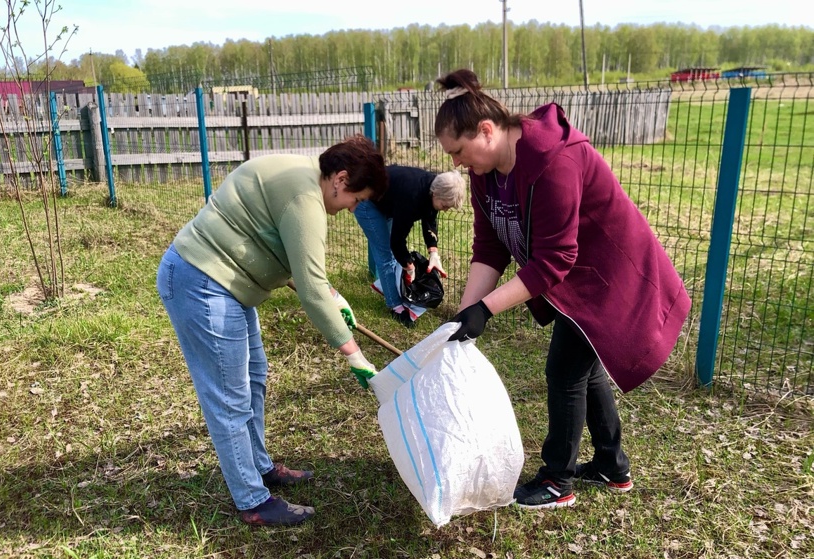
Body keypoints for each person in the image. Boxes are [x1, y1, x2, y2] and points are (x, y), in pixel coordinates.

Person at [434, 69, 690, 510]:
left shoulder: (552, 159)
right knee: (583, 370)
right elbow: (490, 245)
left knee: (564, 371)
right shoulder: (486, 172)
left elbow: (555, 260)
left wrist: (487, 310)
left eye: (458, 150)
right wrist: (467, 311)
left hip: (609, 275)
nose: (456, 163)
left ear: (487, 130)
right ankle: (612, 465)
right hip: (573, 279)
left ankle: (557, 480)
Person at [156, 135, 388, 526]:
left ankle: (259, 466)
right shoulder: (306, 197)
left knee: (253, 376)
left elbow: (296, 261)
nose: (352, 208)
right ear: (341, 179)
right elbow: (311, 290)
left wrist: (336, 297)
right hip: (203, 282)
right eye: (357, 199)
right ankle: (252, 500)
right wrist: (356, 356)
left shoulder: (305, 178)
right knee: (230, 398)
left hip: (227, 284)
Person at [354, 166, 466, 327]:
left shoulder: (432, 186)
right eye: (445, 206)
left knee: (393, 257)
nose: (446, 210)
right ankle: (396, 307)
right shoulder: (412, 196)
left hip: (388, 202)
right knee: (385, 255)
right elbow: (397, 242)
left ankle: (385, 287)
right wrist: (409, 267)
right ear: (435, 193)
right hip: (368, 204)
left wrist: (434, 253)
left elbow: (430, 217)